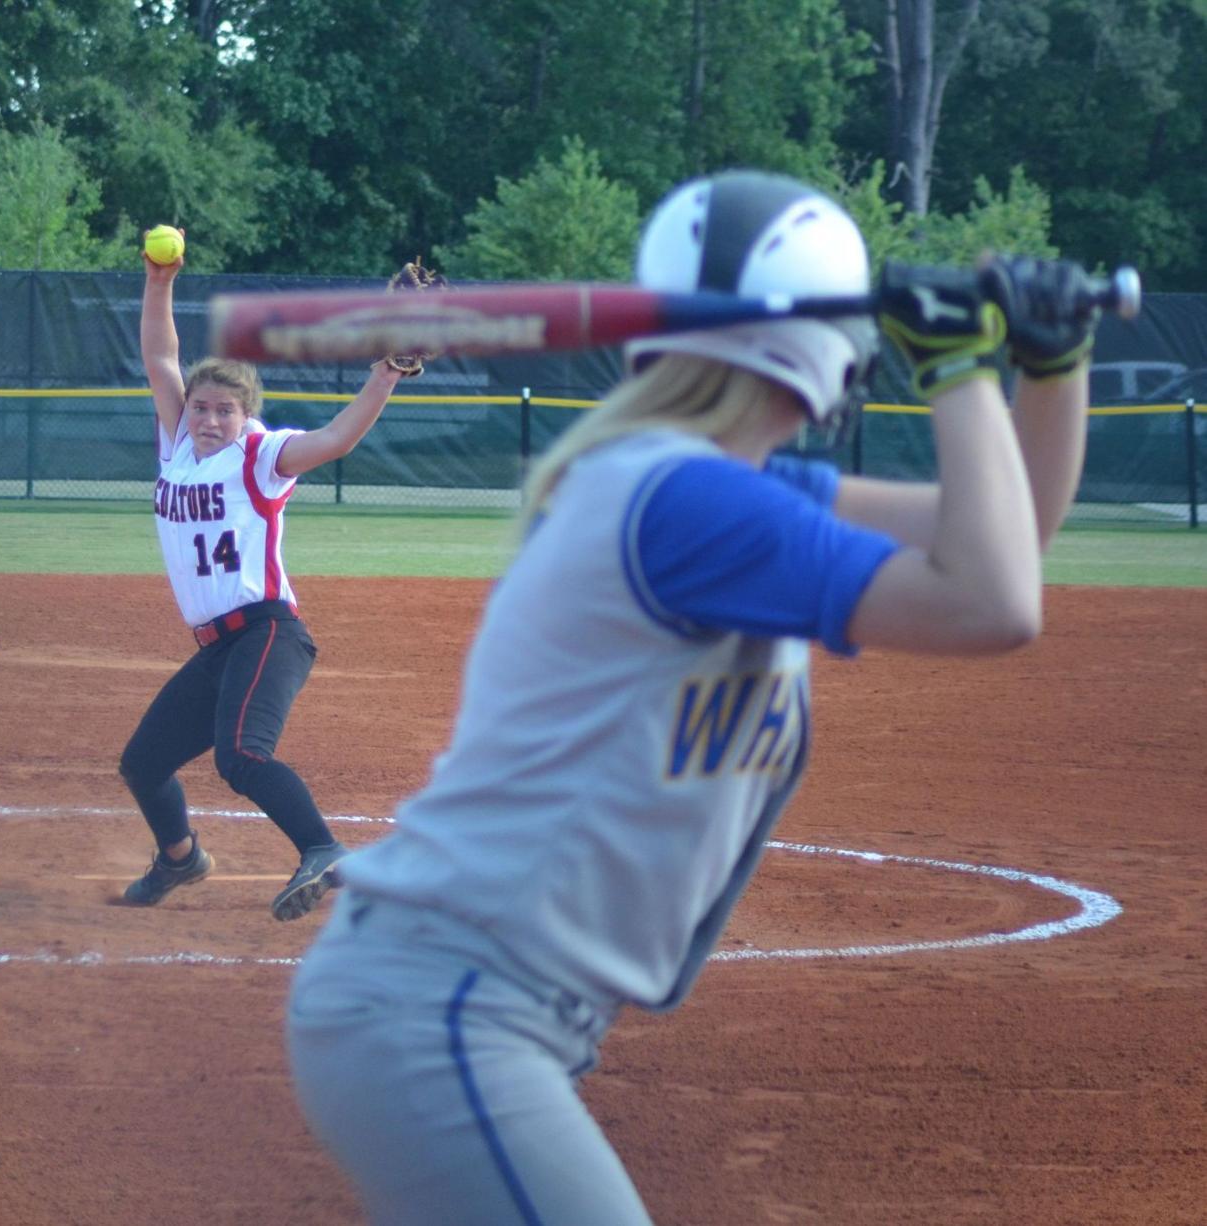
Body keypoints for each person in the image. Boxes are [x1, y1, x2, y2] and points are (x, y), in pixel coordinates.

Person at [285, 171, 1099, 1221]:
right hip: (442, 1007)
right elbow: (992, 604)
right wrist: (952, 364)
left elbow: (1005, 538)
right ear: (828, 349)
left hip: (461, 1007)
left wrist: (1049, 365)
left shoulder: (696, 485)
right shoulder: (685, 499)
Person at [120, 229, 413, 921]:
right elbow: (162, 356)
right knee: (142, 763)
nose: (211, 417)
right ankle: (180, 858)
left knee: (242, 757)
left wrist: (384, 374)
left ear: (247, 416)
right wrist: (159, 281)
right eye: (201, 406)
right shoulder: (180, 448)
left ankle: (321, 849)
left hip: (267, 633)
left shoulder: (260, 456)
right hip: (218, 646)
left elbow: (336, 439)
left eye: (226, 408)